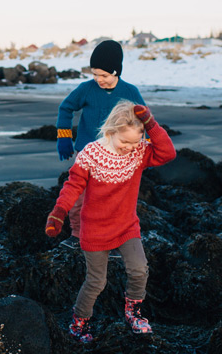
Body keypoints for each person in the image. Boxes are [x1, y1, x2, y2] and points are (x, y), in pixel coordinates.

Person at [45, 101, 176, 343]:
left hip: (127, 226)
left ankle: (133, 312)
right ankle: (79, 323)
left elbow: (168, 153)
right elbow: (73, 187)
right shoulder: (91, 155)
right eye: (124, 142)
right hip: (95, 230)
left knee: (139, 270)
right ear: (111, 131)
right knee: (96, 282)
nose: (129, 147)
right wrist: (58, 212)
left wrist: (151, 123)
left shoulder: (139, 152)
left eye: (135, 142)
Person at [56, 40, 146, 244]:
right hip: (86, 155)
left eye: (104, 75)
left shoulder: (130, 92)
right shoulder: (86, 89)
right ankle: (77, 235)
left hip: (118, 156)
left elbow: (145, 120)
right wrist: (64, 137)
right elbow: (66, 108)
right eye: (95, 74)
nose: (99, 79)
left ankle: (113, 238)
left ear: (116, 72)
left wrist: (144, 147)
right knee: (80, 198)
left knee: (112, 201)